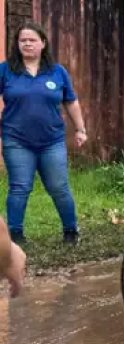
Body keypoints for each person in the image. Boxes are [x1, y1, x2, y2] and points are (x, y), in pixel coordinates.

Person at [0, 23, 88, 245]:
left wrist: (80, 129)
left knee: (59, 187)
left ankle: (71, 231)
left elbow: (71, 101)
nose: (27, 44)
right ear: (17, 44)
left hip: (52, 142)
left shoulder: (57, 72)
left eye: (32, 40)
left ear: (43, 43)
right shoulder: (6, 70)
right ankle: (15, 236)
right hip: (16, 140)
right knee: (19, 188)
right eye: (22, 40)